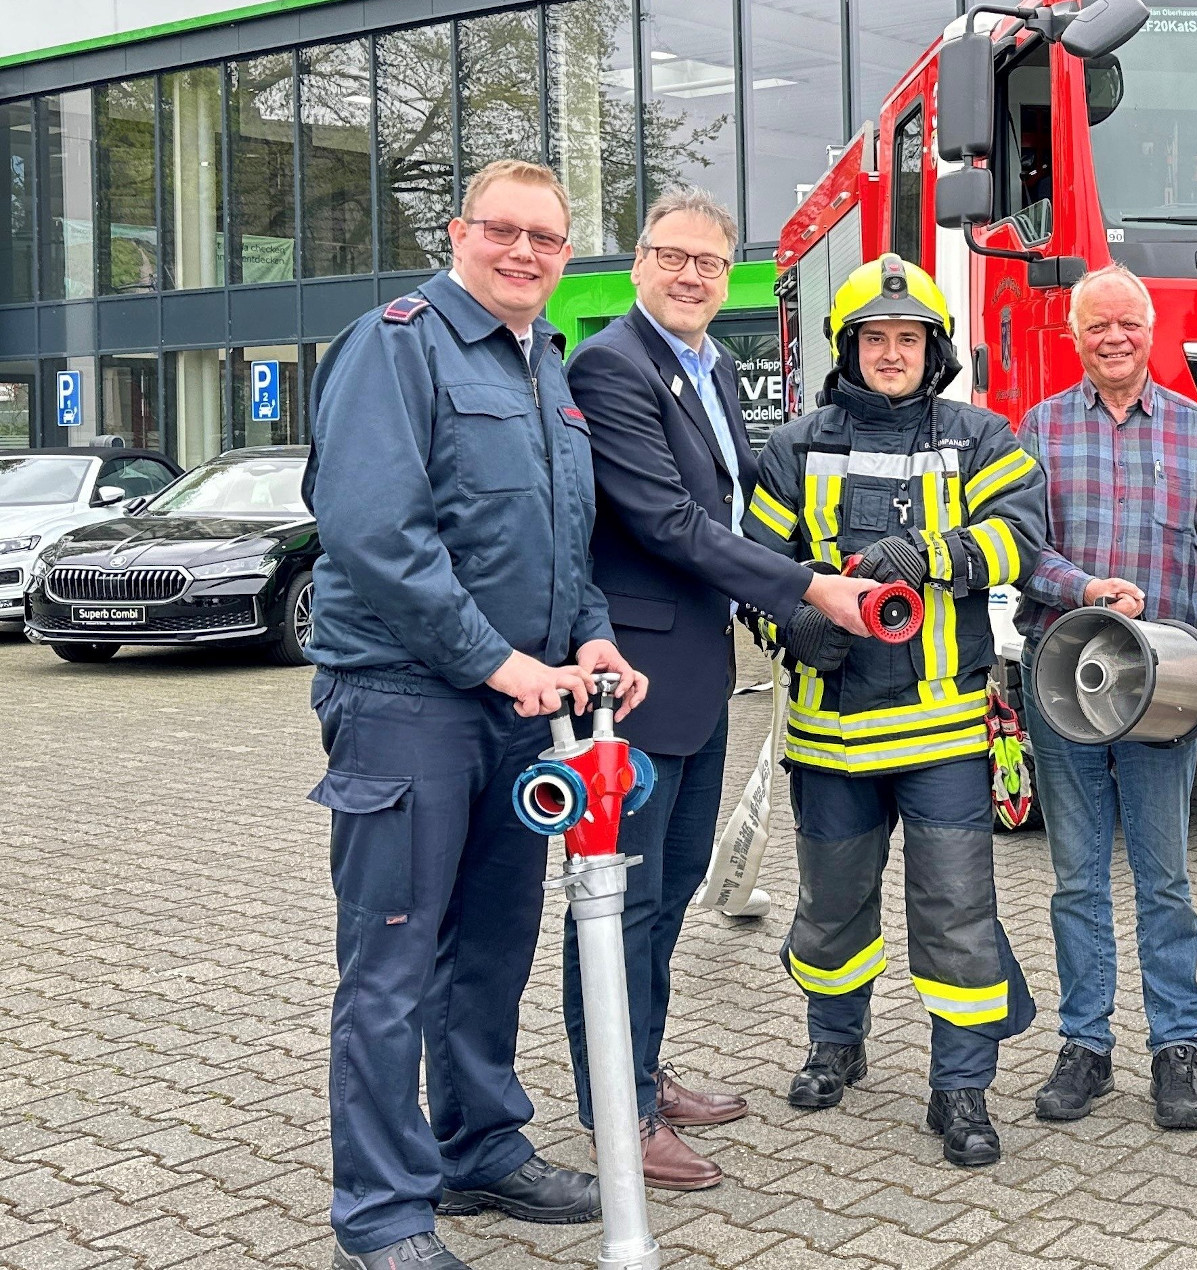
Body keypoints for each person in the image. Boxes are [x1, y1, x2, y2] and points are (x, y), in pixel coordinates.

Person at [304, 160, 646, 1270]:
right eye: (504, 231)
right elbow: (371, 531)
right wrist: (496, 660)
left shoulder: (543, 363)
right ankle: (382, 1214)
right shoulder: (395, 345)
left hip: (524, 704)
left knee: (493, 945)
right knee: (393, 963)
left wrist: (589, 634)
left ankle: (478, 1149)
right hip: (408, 700)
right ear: (458, 232)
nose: (526, 254)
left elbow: (560, 533)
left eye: (547, 239)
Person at [561, 187, 877, 1191]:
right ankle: (617, 1111)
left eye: (709, 260)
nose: (691, 274)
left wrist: (802, 576)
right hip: (635, 681)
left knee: (669, 894)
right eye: (672, 256)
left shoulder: (709, 366)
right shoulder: (610, 365)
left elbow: (736, 506)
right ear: (638, 263)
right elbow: (664, 523)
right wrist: (805, 587)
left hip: (696, 674)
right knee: (617, 903)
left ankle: (642, 1072)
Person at [743, 253, 1046, 1168]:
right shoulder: (792, 447)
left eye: (907, 338)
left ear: (934, 348)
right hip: (829, 734)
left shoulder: (982, 436)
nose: (890, 352)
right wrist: (795, 626)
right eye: (873, 337)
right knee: (833, 905)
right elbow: (752, 567)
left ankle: (960, 1089)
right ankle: (834, 1043)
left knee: (956, 908)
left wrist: (935, 554)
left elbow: (1021, 540)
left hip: (945, 735)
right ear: (847, 347)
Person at [1013, 263, 1197, 1131]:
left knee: (1164, 877)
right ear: (1074, 336)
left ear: (1153, 331)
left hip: (1165, 691)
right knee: (1075, 877)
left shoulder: (1196, 430)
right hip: (1066, 679)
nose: (1114, 338)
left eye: (1129, 324)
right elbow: (1019, 549)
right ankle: (1086, 1046)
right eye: (1097, 325)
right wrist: (1083, 589)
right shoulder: (1038, 428)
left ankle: (1176, 1049)